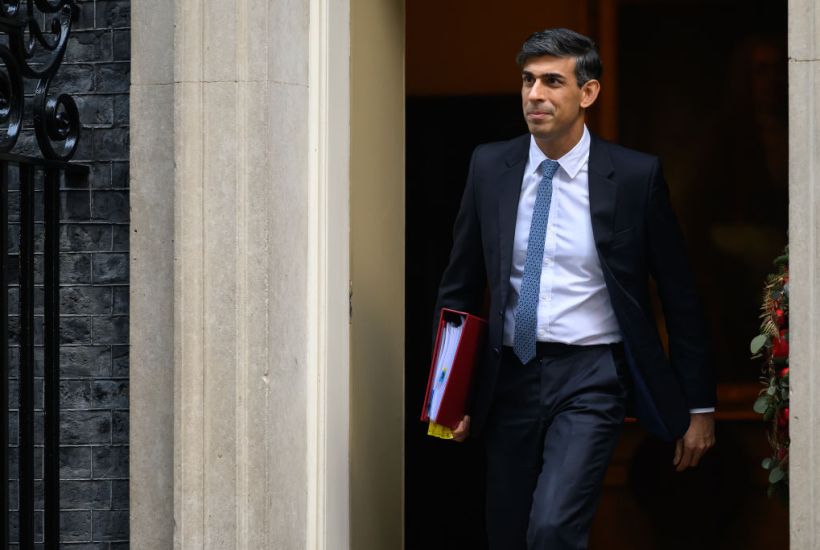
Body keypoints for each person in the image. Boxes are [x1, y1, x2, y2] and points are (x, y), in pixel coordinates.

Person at [431, 28, 716, 550]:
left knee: (553, 528)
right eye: (528, 81)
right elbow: (460, 287)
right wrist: (446, 397)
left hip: (592, 377)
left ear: (588, 92)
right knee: (509, 535)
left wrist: (699, 405)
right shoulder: (490, 166)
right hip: (509, 377)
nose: (535, 95)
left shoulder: (634, 176)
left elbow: (680, 295)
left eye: (552, 82)